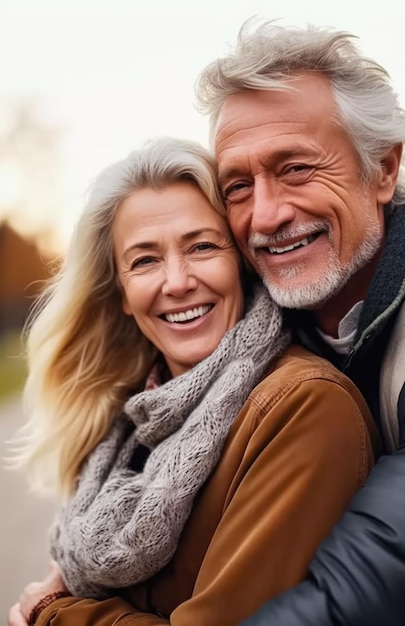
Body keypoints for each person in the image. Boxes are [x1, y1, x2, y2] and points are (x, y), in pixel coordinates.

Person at [8, 136, 377, 626]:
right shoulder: (129, 426)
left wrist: (55, 613)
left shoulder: (302, 406)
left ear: (240, 263)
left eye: (201, 246)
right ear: (120, 292)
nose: (177, 282)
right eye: (144, 260)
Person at [195, 18, 405, 626]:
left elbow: (377, 578)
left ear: (383, 171)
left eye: (296, 169)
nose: (265, 216)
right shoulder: (239, 333)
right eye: (237, 186)